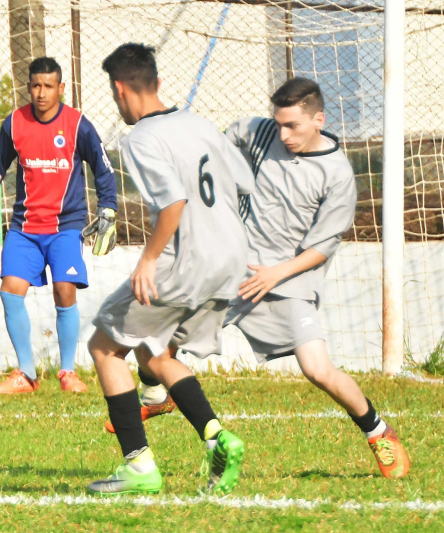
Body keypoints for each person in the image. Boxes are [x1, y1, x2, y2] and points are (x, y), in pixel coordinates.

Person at [127, 77, 410, 480]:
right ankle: (156, 393)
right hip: (231, 267)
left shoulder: (336, 175)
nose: (283, 134)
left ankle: (378, 431)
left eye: (292, 126)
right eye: (278, 124)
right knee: (153, 336)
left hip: (287, 281)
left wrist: (276, 274)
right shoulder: (259, 132)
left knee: (318, 369)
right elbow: (218, 146)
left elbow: (321, 248)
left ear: (318, 120)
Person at [86, 43, 253, 496]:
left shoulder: (139, 138)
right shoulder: (201, 124)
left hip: (186, 262)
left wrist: (148, 259)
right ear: (157, 82)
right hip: (229, 261)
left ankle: (138, 466)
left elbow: (173, 202)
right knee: (154, 353)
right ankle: (217, 436)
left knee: (104, 348)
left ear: (120, 90)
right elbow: (244, 182)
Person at [0, 57, 118, 394]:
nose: (41, 93)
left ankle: (68, 372)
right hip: (25, 227)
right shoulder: (15, 123)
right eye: (35, 85)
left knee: (65, 290)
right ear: (28, 87)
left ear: (61, 88)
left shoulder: (78, 125)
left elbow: (104, 169)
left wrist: (108, 208)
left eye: (48, 86)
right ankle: (27, 374)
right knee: (10, 291)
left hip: (66, 226)